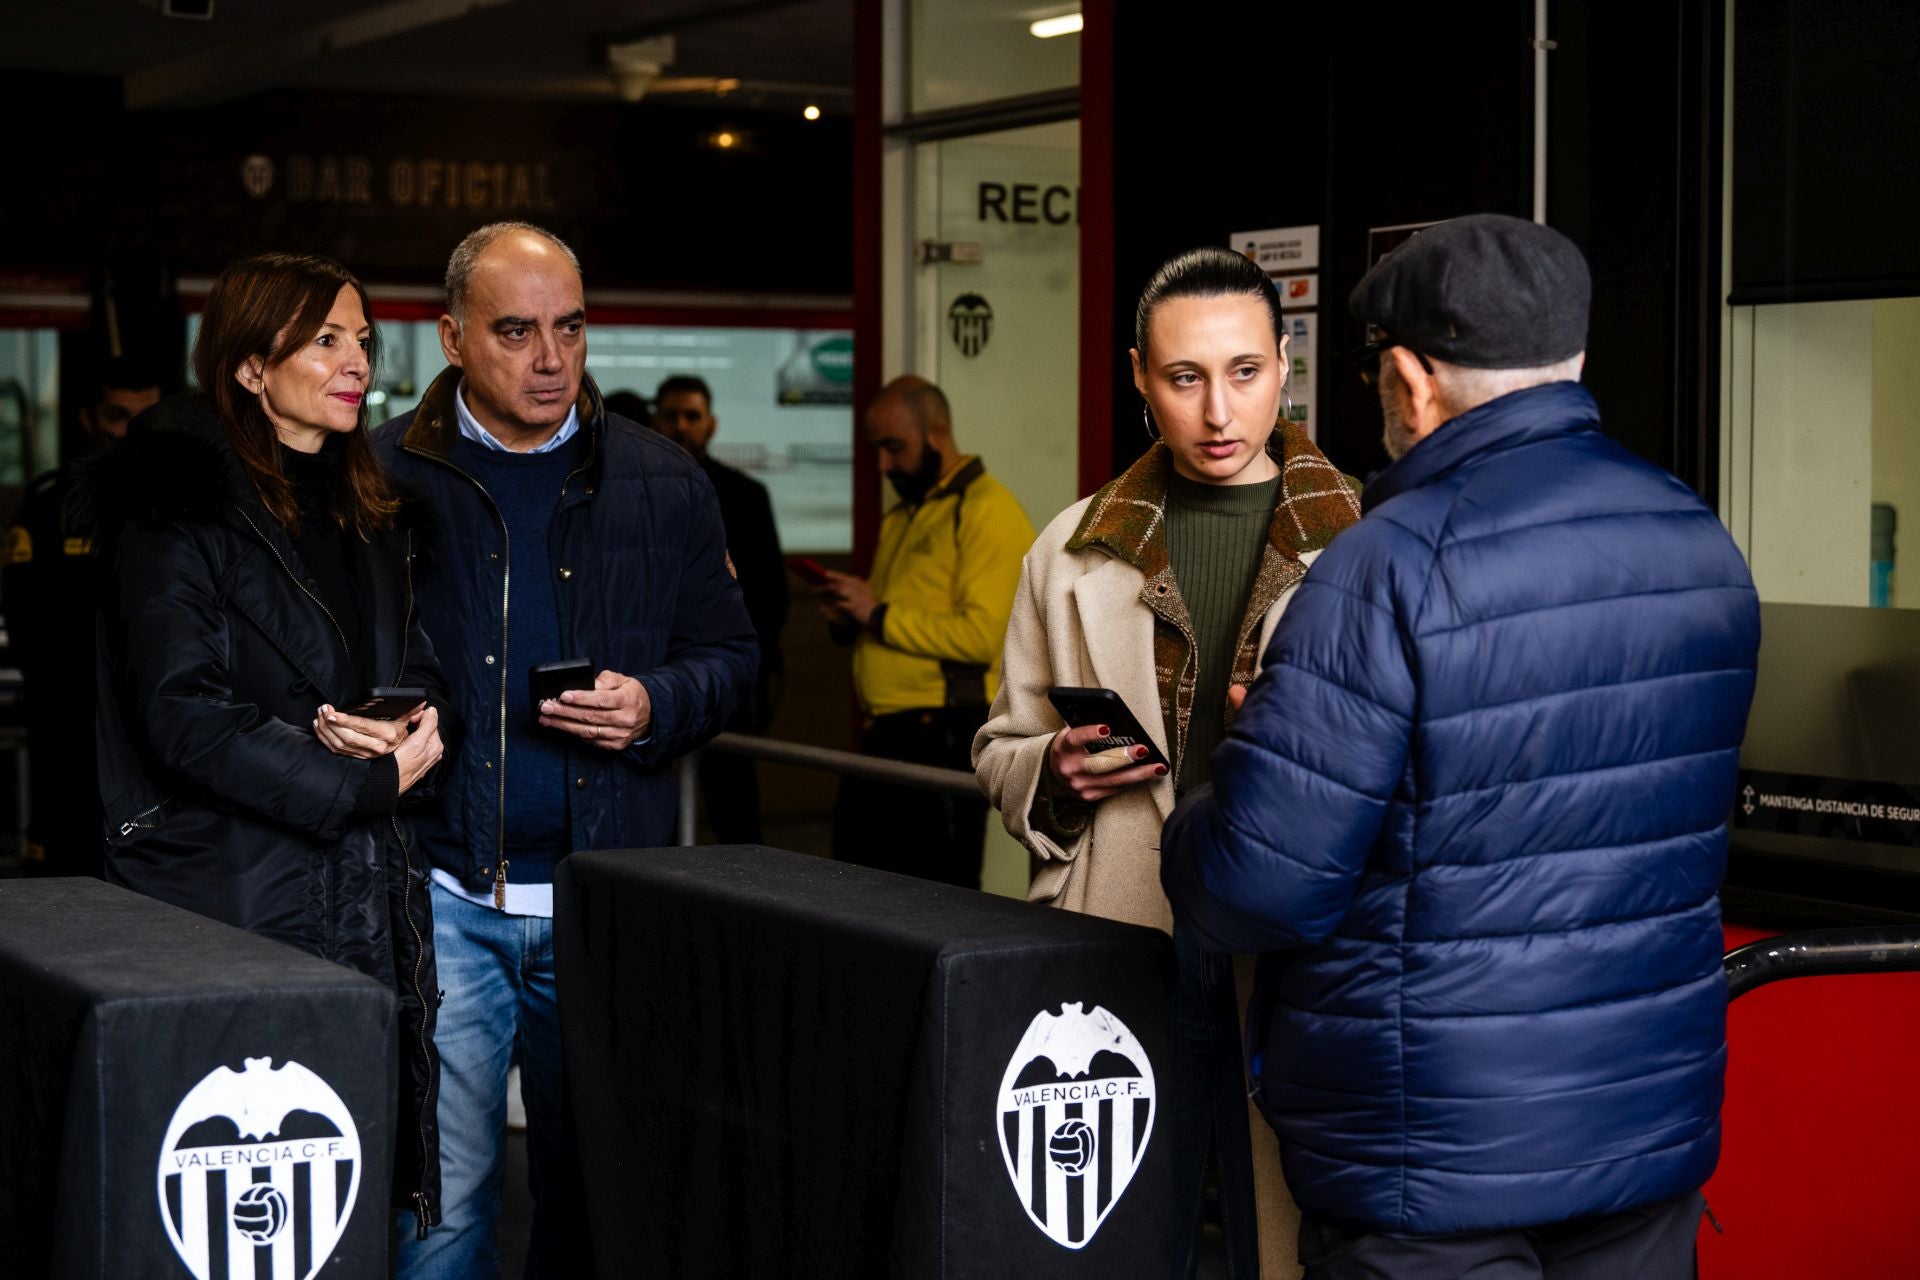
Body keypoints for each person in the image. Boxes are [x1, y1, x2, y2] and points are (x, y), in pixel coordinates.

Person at [1161, 214, 1762, 1279]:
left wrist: (1237, 771)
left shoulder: (1383, 566)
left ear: (1409, 377)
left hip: (1428, 1154)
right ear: (1570, 362)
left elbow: (1260, 883)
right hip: (1641, 1128)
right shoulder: (1695, 539)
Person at [375, 221, 757, 1278]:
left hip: (605, 897)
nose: (550, 359)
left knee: (602, 1194)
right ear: (452, 337)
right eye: (516, 331)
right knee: (442, 1211)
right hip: (447, 892)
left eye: (571, 328)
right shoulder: (378, 479)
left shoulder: (662, 480)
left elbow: (730, 653)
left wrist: (658, 701)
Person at [975, 246, 1361, 1279]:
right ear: (1142, 378)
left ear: (1286, 366)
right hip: (1119, 916)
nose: (1218, 409)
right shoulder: (1069, 547)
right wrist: (1053, 765)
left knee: (1279, 1223)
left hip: (1292, 933)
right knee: (1116, 1218)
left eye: (1244, 371)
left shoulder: (1370, 539)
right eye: (1185, 378)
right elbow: (999, 747)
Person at [89, 252, 449, 1234]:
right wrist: (366, 784)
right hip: (223, 891)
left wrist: (412, 723)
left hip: (361, 894)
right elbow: (183, 716)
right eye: (326, 340)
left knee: (342, 1199)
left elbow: (412, 662)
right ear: (251, 367)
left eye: (365, 340)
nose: (357, 364)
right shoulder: (176, 507)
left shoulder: (369, 509)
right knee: (238, 1206)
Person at [821, 374, 1033, 889]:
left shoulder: (987, 511)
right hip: (887, 731)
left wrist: (877, 615)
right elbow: (894, 614)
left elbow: (983, 637)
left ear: (937, 435)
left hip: (944, 731)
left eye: (894, 447)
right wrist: (853, 619)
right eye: (877, 449)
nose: (883, 465)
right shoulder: (904, 514)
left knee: (935, 896)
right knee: (856, 887)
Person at [5, 356, 162, 877]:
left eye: (146, 416)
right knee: (65, 868)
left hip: (160, 723)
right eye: (118, 414)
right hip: (69, 716)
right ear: (90, 419)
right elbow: (25, 617)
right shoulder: (53, 505)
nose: (130, 431)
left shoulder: (185, 506)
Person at [653, 373, 789, 843]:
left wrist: (751, 663)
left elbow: (771, 590)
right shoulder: (636, 492)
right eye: (671, 415)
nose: (681, 426)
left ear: (711, 424)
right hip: (650, 673)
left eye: (692, 416)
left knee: (734, 798)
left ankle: (745, 902)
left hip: (722, 669)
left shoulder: (746, 495)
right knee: (653, 801)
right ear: (655, 420)